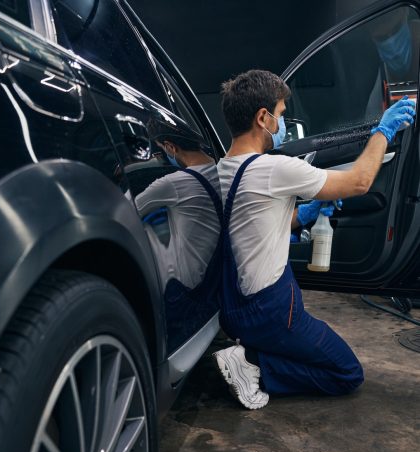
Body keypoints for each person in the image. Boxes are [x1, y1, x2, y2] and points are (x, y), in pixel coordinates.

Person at [213, 69, 416, 410]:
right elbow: (359, 182)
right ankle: (253, 364)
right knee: (347, 372)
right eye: (279, 115)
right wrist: (384, 129)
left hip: (234, 311)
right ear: (262, 118)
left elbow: (257, 222)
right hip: (272, 314)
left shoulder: (222, 170)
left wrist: (304, 215)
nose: (281, 125)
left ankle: (251, 353)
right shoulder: (273, 169)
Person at [134, 121, 222, 350]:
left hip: (186, 293)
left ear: (171, 148)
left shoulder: (175, 183)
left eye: (160, 150)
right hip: (218, 284)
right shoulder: (226, 170)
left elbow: (130, 211)